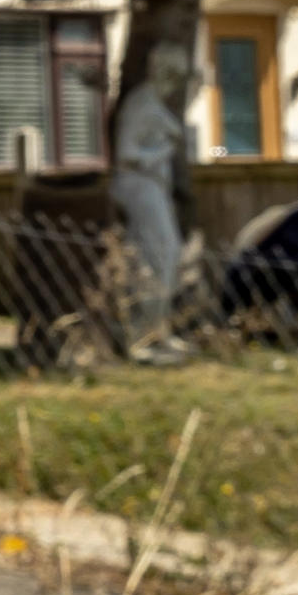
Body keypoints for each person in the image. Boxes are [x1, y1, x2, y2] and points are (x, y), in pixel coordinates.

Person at [104, 33, 196, 363]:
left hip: (154, 188)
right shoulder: (142, 104)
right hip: (139, 187)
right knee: (155, 258)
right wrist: (166, 148)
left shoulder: (154, 103)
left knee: (165, 258)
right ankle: (142, 338)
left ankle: (159, 333)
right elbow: (127, 154)